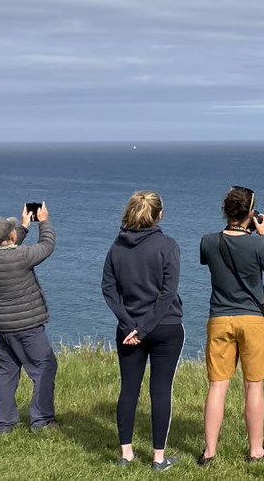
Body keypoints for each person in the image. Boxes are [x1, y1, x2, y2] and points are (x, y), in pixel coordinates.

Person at [101, 191, 185, 472]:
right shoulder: (167, 246)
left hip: (128, 331)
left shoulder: (117, 247)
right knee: (160, 390)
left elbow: (108, 289)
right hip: (165, 327)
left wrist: (129, 325)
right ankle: (159, 459)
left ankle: (126, 455)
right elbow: (167, 293)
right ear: (158, 215)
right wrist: (144, 328)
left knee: (129, 389)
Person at [197, 186, 264, 464]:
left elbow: (210, 259)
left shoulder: (208, 241)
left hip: (219, 318)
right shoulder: (258, 244)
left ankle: (209, 453)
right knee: (253, 386)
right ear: (251, 213)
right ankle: (256, 451)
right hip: (252, 320)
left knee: (218, 386)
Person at [0, 202, 57, 434]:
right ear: (12, 237)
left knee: (7, 371)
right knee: (45, 366)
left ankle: (5, 424)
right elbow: (47, 245)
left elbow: (10, 248)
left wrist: (23, 226)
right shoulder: (22, 256)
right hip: (26, 326)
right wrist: (43, 221)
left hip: (1, 326)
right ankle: (42, 421)